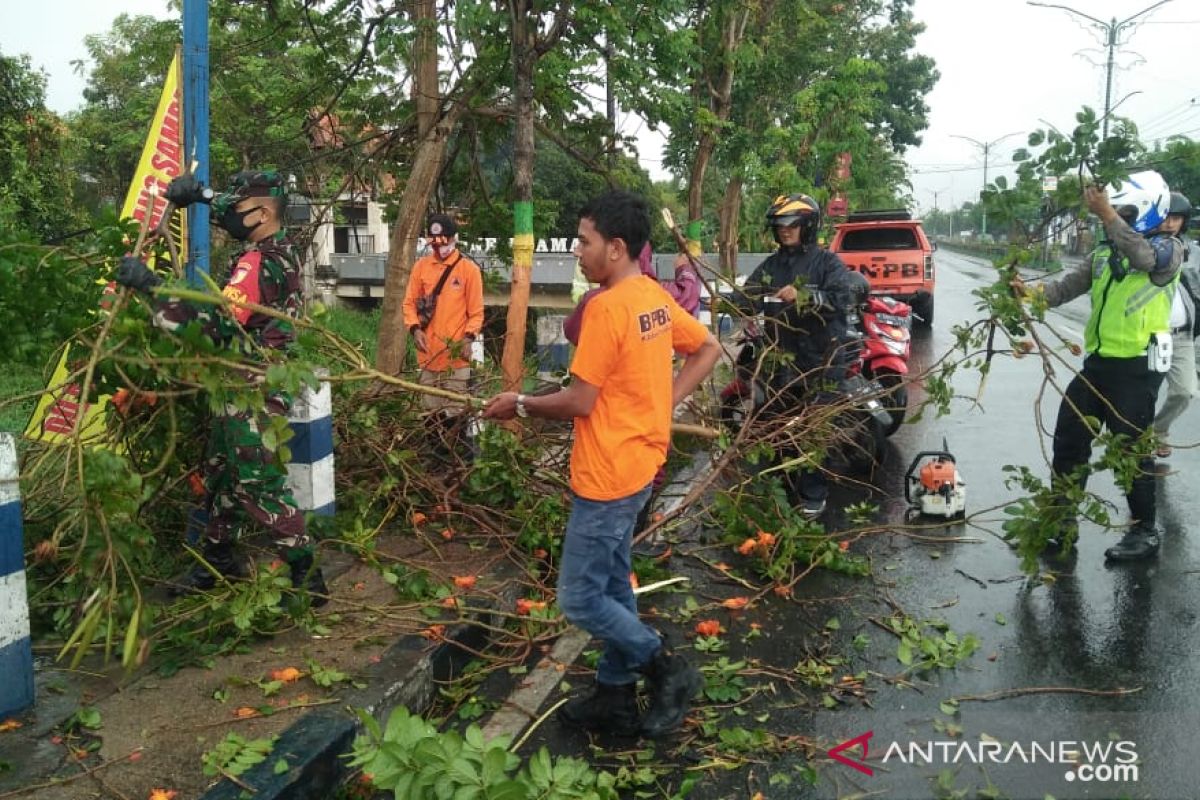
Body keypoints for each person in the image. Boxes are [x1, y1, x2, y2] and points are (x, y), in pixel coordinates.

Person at [482, 190, 721, 738]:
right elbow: (707, 348)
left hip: (608, 474)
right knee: (614, 589)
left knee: (580, 597)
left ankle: (664, 665)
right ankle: (614, 694)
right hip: (641, 462)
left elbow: (578, 402)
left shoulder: (609, 308)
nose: (576, 251)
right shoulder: (654, 297)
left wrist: (518, 404)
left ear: (615, 248)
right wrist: (667, 401)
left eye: (583, 242)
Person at [115, 171, 328, 601]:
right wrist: (201, 197)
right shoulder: (283, 248)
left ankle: (309, 579)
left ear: (263, 213)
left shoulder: (257, 263)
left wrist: (152, 289)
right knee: (220, 476)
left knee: (257, 484)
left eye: (237, 209)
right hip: (242, 387)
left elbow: (214, 328)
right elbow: (239, 207)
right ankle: (217, 567)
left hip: (252, 390)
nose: (228, 215)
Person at [1014, 172, 1186, 561]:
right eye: (1117, 210)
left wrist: (1108, 214)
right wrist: (1029, 291)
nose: (1117, 217)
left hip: (1137, 367)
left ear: (1144, 212)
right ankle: (1061, 524)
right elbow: (1062, 290)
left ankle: (1145, 531)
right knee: (1069, 441)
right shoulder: (1105, 254)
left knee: (1130, 451)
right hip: (1098, 365)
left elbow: (1143, 257)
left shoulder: (1168, 249)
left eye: (1125, 211)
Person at [732, 193, 856, 517]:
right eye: (779, 225)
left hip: (821, 364)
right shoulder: (772, 265)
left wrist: (805, 295)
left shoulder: (827, 263)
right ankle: (780, 493)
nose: (784, 230)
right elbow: (749, 295)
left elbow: (840, 299)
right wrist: (724, 300)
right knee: (777, 429)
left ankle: (815, 495)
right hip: (780, 365)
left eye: (791, 224)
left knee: (814, 433)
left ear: (808, 225)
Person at [402, 213, 484, 460]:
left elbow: (477, 313)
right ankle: (436, 463)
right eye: (436, 245)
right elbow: (408, 304)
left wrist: (468, 339)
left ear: (455, 240)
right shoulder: (421, 268)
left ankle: (459, 462)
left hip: (456, 359)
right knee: (430, 413)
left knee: (456, 412)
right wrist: (415, 329)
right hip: (428, 356)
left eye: (445, 244)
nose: (440, 250)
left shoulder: (469, 271)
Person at [1151, 192, 1197, 459]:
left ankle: (1159, 429)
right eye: (1166, 217)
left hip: (1182, 336)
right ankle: (1136, 439)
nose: (1170, 224)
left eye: (1176, 218)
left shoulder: (1194, 253)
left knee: (1184, 391)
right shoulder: (1147, 250)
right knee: (1146, 392)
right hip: (1151, 335)